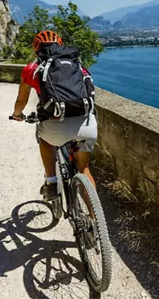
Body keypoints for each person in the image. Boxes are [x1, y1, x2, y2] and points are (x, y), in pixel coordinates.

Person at [9, 30, 98, 199]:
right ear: (60, 45)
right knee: (84, 168)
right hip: (86, 125)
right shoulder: (77, 65)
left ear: (37, 49)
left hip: (55, 127)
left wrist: (17, 115)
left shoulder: (32, 69)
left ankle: (51, 183)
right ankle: (97, 223)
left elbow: (21, 101)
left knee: (45, 139)